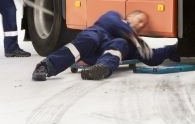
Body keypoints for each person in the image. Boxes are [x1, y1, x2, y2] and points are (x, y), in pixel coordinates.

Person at [32, 10, 179, 81]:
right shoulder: (114, 16)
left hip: (101, 58)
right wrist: (134, 38)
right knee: (91, 38)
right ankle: (46, 66)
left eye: (143, 24)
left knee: (120, 43)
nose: (140, 25)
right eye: (139, 19)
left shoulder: (131, 44)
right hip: (90, 43)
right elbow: (110, 22)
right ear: (129, 17)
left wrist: (177, 49)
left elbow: (151, 58)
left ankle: (101, 69)